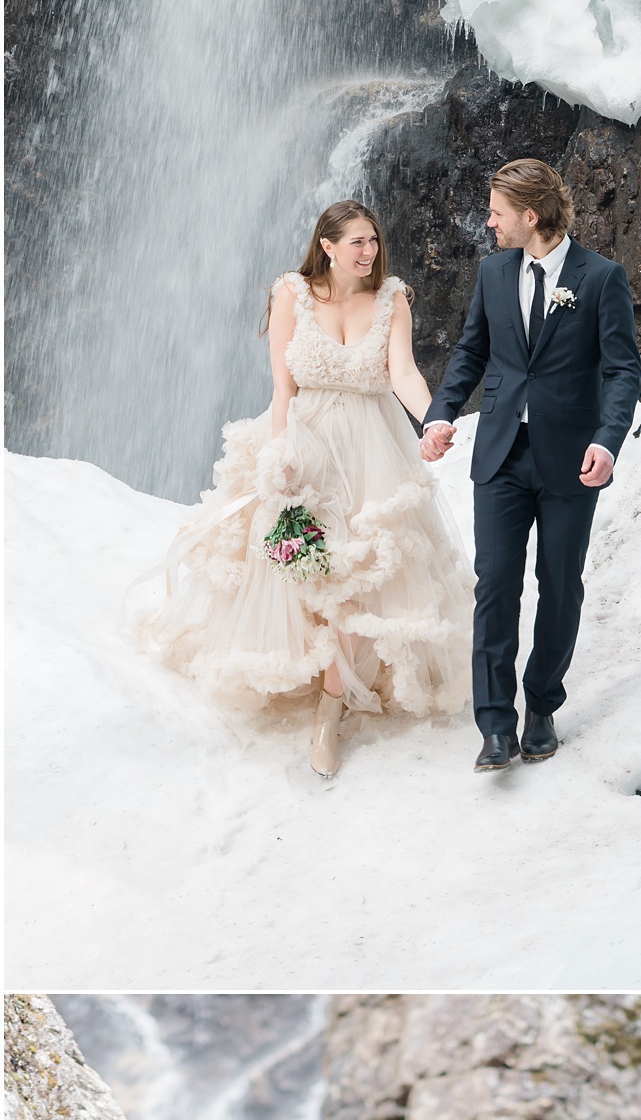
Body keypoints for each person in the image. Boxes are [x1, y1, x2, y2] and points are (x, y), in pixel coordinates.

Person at [136, 201, 473, 777]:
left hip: (372, 446)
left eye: (373, 240)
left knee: (358, 575)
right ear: (327, 246)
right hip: (307, 440)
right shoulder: (290, 294)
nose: (368, 252)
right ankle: (319, 675)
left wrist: (434, 420)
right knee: (301, 565)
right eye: (357, 243)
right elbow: (283, 384)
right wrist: (280, 455)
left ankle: (331, 705)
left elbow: (403, 373)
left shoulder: (392, 298)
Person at [421, 158, 641, 771]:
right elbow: (471, 351)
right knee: (494, 587)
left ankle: (541, 704)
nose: (488, 222)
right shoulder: (493, 272)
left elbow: (623, 370)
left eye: (497, 212)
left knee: (560, 586)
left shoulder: (601, 279)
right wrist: (440, 414)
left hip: (571, 459)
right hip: (499, 454)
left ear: (531, 216)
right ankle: (495, 725)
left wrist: (608, 440)